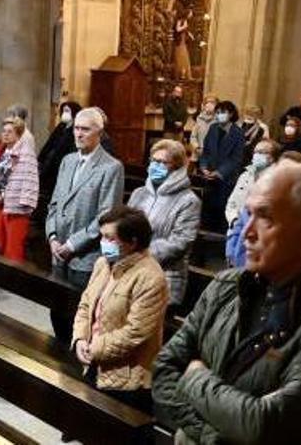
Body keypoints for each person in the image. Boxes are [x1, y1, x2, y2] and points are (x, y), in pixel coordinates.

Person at [152, 162, 301, 444]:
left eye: (265, 217)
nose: (247, 233)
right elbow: (164, 370)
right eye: (248, 214)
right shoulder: (226, 285)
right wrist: (212, 436)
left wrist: (195, 377)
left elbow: (268, 426)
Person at [71, 207, 169, 412]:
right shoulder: (103, 264)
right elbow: (86, 304)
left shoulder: (150, 277)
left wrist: (95, 348)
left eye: (109, 238)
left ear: (132, 242)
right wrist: (80, 338)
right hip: (94, 362)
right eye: (102, 236)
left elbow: (136, 332)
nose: (103, 243)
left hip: (128, 376)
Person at [47, 107, 124, 344]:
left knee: (80, 318)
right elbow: (55, 202)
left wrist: (72, 243)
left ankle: (74, 370)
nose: (78, 134)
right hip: (58, 252)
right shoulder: (67, 161)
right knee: (56, 312)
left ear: (99, 133)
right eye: (76, 128)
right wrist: (52, 236)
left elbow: (106, 216)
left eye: (85, 129)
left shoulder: (111, 167)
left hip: (85, 256)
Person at [127, 140, 201, 311]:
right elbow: (124, 227)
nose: (155, 165)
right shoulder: (139, 194)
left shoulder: (188, 201)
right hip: (132, 274)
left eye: (162, 162)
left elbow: (180, 242)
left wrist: (138, 255)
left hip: (164, 278)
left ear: (176, 167)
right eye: (153, 161)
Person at [0, 117, 39, 261]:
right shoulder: (2, 150)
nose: (5, 134)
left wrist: (3, 195)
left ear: (18, 134)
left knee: (13, 249)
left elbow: (28, 180)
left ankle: (10, 281)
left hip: (15, 207)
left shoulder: (26, 153)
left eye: (9, 132)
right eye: (3, 131)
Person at [199, 101, 246, 231]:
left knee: (222, 213)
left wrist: (219, 172)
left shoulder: (238, 133)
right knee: (207, 213)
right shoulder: (213, 128)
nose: (220, 115)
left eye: (223, 113)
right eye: (218, 113)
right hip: (209, 177)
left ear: (231, 114)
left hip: (227, 179)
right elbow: (206, 151)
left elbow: (236, 158)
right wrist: (204, 167)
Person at [224, 139, 277, 225]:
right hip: (237, 228)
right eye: (255, 152)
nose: (256, 155)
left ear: (272, 158)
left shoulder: (276, 180)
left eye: (261, 152)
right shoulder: (245, 176)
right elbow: (231, 203)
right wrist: (234, 220)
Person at [39, 102, 84, 201]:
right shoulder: (61, 126)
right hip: (51, 164)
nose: (65, 113)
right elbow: (50, 143)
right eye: (63, 111)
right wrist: (41, 158)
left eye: (67, 111)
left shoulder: (76, 129)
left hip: (62, 164)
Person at [190, 95, 219, 161]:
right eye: (207, 102)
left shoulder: (219, 120)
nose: (209, 104)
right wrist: (197, 147)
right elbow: (193, 136)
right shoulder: (199, 118)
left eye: (212, 102)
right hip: (198, 154)